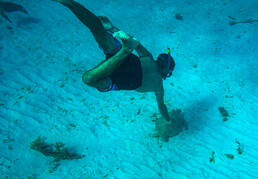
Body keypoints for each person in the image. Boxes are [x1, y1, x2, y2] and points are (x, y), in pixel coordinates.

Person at [51, 0, 179, 126]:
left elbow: (135, 42)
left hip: (129, 60)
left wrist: (112, 28)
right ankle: (125, 50)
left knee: (99, 31)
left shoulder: (149, 58)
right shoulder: (159, 87)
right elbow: (162, 107)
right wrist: (169, 120)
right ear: (167, 71)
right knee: (88, 79)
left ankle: (70, 3)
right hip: (126, 80)